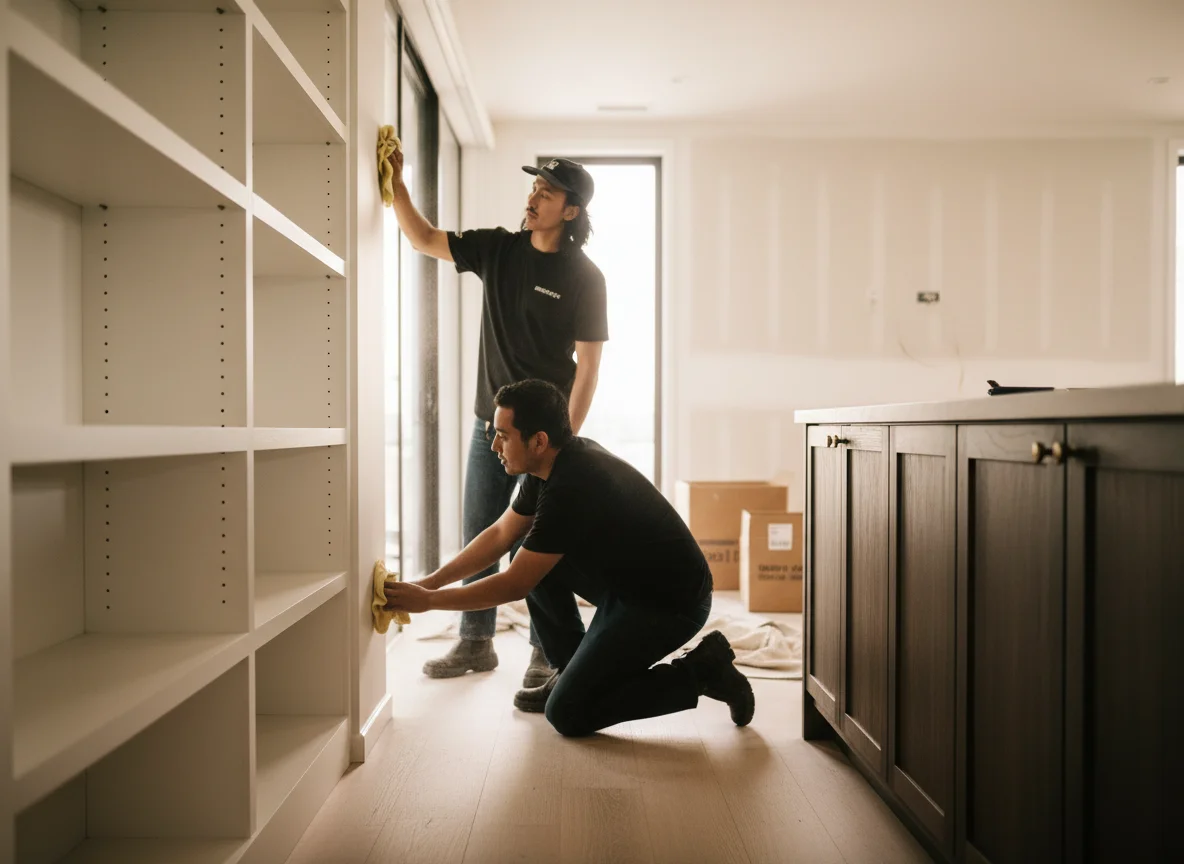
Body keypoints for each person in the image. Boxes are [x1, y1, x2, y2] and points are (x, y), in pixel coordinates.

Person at [384, 379, 755, 735]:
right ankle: (570, 669)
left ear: (539, 441)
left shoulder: (572, 485)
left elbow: (515, 585)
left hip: (669, 604)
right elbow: (500, 534)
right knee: (522, 546)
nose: (494, 445)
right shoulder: (548, 465)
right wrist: (429, 583)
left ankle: (703, 672)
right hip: (627, 584)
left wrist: (429, 602)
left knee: (567, 712)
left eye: (503, 435)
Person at [386, 148, 608, 693]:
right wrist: (398, 184)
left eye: (547, 193)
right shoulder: (499, 249)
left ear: (571, 211)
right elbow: (423, 239)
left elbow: (588, 367)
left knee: (537, 541)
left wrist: (564, 440)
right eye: (534, 188)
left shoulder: (585, 277)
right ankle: (475, 641)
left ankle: (544, 651)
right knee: (480, 526)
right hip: (490, 424)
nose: (533, 197)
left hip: (544, 438)